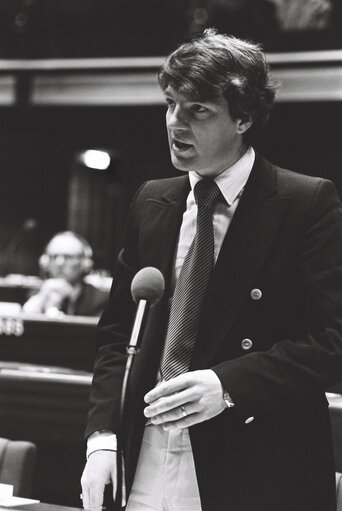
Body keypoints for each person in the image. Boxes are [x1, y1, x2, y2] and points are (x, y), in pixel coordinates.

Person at [81, 29, 342, 511]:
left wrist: (228, 386)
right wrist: (102, 436)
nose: (175, 123)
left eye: (197, 109)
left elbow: (331, 341)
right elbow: (118, 335)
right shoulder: (151, 200)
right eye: (169, 103)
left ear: (243, 118)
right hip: (143, 454)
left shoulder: (306, 202)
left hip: (254, 458)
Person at [23, 231, 108, 317]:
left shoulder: (101, 300)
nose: (59, 263)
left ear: (85, 263)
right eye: (54, 256)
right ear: (45, 262)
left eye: (68, 257)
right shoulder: (35, 294)